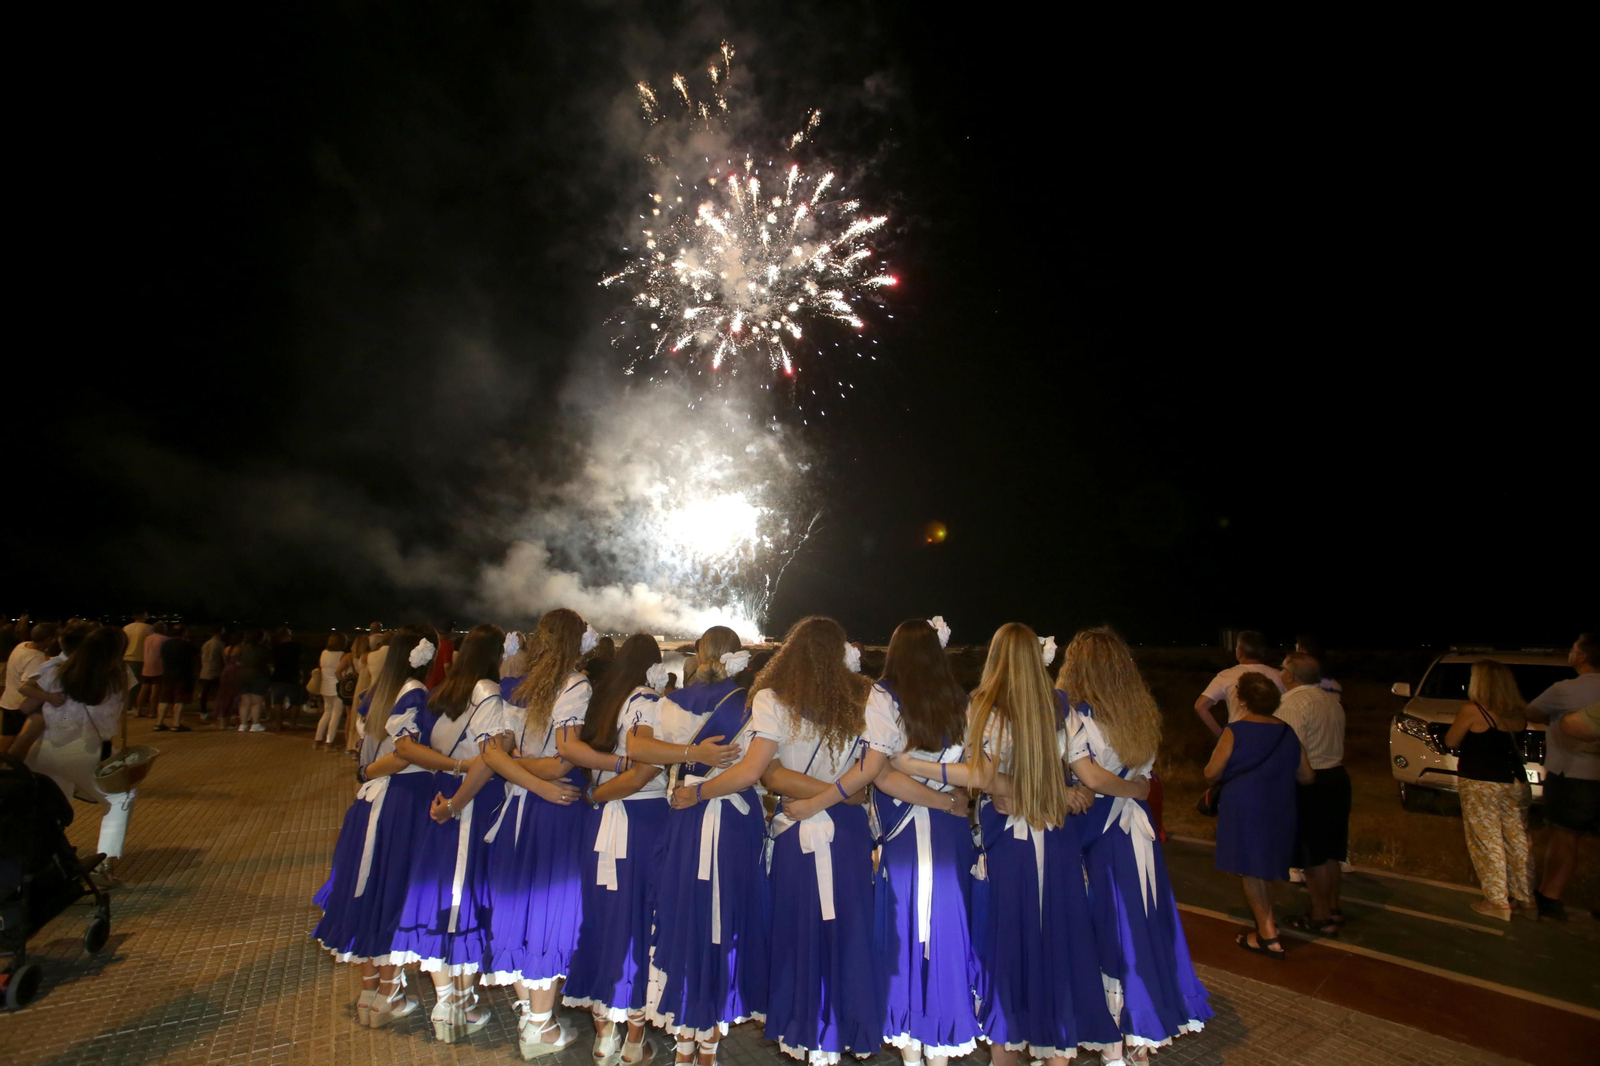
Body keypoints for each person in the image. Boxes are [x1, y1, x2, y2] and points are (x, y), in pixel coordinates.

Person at [672, 616, 902, 1066]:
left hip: (795, 826)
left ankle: (804, 1034)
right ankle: (843, 1031)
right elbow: (870, 773)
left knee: (796, 934)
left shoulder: (773, 698)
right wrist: (838, 795)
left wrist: (697, 793)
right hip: (847, 829)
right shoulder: (868, 697)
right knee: (848, 932)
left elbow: (766, 773)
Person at [1059, 628, 1210, 1062]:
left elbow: (1089, 776)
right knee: (1137, 929)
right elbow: (1143, 776)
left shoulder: (1076, 716)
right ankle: (1136, 1041)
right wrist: (1137, 790)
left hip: (1097, 835)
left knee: (1107, 933)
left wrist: (1126, 789)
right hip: (1134, 835)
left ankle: (1115, 1045)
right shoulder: (1139, 716)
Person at [620, 625, 758, 1066]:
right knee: (722, 922)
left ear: (698, 654)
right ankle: (708, 1050)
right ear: (738, 656)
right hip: (733, 822)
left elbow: (638, 748)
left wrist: (688, 756)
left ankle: (683, 1047)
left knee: (682, 918)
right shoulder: (753, 706)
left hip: (683, 815)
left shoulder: (669, 703)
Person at [312, 624, 443, 1032]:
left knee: (368, 888)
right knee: (392, 890)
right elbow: (404, 755)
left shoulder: (376, 692)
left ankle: (370, 992)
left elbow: (365, 749)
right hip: (401, 801)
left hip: (370, 802)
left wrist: (366, 772)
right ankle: (389, 993)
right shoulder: (414, 694)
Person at [475, 608, 593, 1059]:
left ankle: (530, 1014)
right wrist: (542, 783)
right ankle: (539, 1027)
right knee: (548, 911)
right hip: (555, 811)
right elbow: (562, 763)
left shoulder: (514, 685)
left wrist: (520, 771)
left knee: (518, 908)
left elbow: (493, 756)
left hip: (516, 808)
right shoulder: (575, 685)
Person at [862, 618, 980, 1066]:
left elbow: (882, 774)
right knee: (944, 931)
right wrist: (951, 801)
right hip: (950, 831)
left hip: (906, 832)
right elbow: (971, 772)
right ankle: (941, 1047)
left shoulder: (882, 696)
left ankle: (914, 1051)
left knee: (906, 934)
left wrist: (943, 800)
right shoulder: (961, 701)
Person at [555, 633, 670, 1066]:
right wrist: (595, 796)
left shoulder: (603, 699)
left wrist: (594, 797)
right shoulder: (648, 701)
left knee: (601, 918)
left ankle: (604, 1034)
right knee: (638, 921)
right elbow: (643, 773)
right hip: (641, 820)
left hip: (600, 820)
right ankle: (634, 1041)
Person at [388, 625, 506, 1043]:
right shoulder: (488, 693)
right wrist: (458, 795)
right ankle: (459, 1003)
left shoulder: (439, 693)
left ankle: (445, 1000)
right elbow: (490, 758)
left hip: (438, 797)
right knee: (464, 896)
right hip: (471, 801)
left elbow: (407, 746)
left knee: (438, 892)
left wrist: (448, 774)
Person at [1204, 673, 1314, 960]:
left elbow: (1211, 772)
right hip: (1280, 807)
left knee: (1250, 869)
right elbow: (1307, 776)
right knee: (1264, 867)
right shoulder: (1287, 732)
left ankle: (1268, 936)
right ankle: (1268, 927)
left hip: (1244, 807)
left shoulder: (1235, 731)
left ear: (1242, 700)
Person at [21, 625, 139, 882]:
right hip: (88, 749)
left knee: (51, 808)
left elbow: (25, 706)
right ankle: (103, 865)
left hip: (45, 748)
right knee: (121, 797)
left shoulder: (56, 669)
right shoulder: (119, 673)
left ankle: (47, 861)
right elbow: (124, 705)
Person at [1443, 660, 1534, 921]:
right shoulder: (1518, 713)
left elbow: (1451, 740)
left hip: (1481, 782)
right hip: (1515, 782)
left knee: (1486, 840)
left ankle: (1497, 901)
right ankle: (1526, 898)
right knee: (1517, 839)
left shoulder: (1474, 711)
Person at [1522, 633, 1600, 921]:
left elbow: (1531, 712)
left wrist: (1551, 718)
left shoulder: (1565, 690)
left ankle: (1550, 897)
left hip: (1572, 774)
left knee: (1565, 836)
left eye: (1573, 648)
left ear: (1582, 656)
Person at [1274, 651, 1350, 936]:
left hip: (1311, 780)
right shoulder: (1332, 702)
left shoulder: (1291, 704)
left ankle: (1319, 916)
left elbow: (1290, 751)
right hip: (1337, 777)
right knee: (1331, 851)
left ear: (1290, 675)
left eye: (1282, 668)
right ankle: (1333, 908)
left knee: (1312, 854)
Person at [1193, 630, 1284, 738]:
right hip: (1274, 737)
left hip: (1240, 738)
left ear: (1239, 652)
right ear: (1262, 652)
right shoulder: (1279, 676)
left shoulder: (1226, 676)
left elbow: (1200, 706)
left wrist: (1222, 735)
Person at [2, 621, 57, 751]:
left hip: (7, 700)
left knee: (7, 737)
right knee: (12, 740)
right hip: (19, 706)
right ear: (49, 639)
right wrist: (49, 696)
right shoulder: (36, 658)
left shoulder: (22, 646)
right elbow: (26, 688)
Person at [155, 623, 197, 731]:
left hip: (167, 674)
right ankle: (176, 723)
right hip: (183, 674)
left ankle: (159, 723)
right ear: (184, 633)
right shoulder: (187, 645)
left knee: (164, 699)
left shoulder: (165, 644)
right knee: (179, 699)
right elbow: (196, 656)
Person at [315, 632, 350, 750]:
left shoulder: (324, 653)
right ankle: (329, 742)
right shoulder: (342, 655)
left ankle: (317, 739)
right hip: (337, 688)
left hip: (325, 687)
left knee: (327, 712)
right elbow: (341, 672)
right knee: (336, 715)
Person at [237, 630, 271, 732]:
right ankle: (255, 724)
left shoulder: (243, 648)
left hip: (243, 675)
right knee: (256, 702)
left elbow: (239, 661)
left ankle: (243, 725)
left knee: (245, 701)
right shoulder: (264, 649)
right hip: (259, 675)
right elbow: (268, 663)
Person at [269, 628, 302, 728]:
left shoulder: (275, 647)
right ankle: (293, 723)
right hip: (293, 675)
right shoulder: (296, 646)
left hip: (278, 676)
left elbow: (271, 662)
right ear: (288, 635)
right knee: (296, 702)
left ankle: (279, 724)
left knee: (278, 701)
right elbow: (301, 659)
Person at [123, 611, 152, 710]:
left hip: (126, 657)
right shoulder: (148, 628)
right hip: (140, 658)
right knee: (137, 683)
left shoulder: (126, 628)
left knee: (128, 682)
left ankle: (127, 704)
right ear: (144, 616)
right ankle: (134, 705)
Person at [139, 622, 168, 716]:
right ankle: (152, 711)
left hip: (146, 665)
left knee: (144, 688)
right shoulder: (164, 639)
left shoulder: (147, 638)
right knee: (155, 689)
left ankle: (139, 710)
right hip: (158, 666)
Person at [197, 627, 226, 719]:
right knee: (219, 692)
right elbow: (224, 658)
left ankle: (203, 711)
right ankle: (218, 711)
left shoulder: (206, 644)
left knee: (204, 693)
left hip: (205, 671)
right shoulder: (220, 644)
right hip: (216, 671)